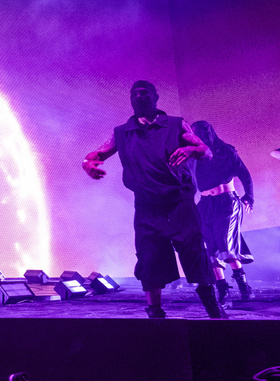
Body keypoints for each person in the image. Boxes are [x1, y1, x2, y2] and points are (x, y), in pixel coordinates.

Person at [83, 80, 225, 319]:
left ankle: (213, 308)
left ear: (156, 97)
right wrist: (87, 163)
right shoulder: (122, 132)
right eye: (135, 94)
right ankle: (155, 312)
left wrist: (191, 150)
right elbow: (96, 154)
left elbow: (206, 152)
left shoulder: (176, 125)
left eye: (145, 93)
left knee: (193, 252)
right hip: (147, 205)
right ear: (130, 99)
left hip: (179, 202)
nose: (139, 97)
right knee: (149, 257)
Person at [191, 121, 255, 304]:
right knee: (210, 247)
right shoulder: (194, 155)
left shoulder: (226, 151)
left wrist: (249, 197)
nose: (201, 136)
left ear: (210, 132)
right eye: (196, 133)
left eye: (204, 132)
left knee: (225, 242)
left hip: (227, 202)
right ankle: (222, 288)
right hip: (205, 204)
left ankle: (243, 285)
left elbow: (245, 174)